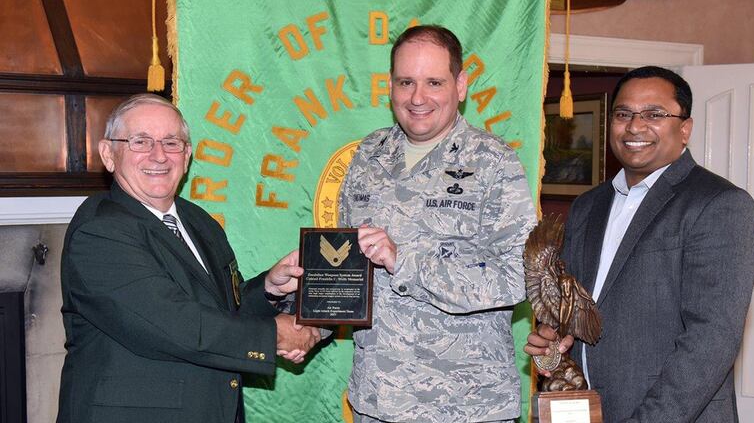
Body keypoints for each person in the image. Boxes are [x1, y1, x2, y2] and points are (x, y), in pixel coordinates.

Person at [57, 94, 321, 423]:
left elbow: (221, 310)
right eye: (140, 141)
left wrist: (268, 289)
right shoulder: (100, 230)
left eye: (172, 142)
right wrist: (274, 335)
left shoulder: (199, 221)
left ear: (187, 155)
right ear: (109, 155)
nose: (159, 155)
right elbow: (170, 322)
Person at [525, 66, 754, 422]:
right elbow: (577, 309)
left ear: (685, 129)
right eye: (623, 114)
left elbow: (711, 340)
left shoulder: (719, 204)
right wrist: (553, 342)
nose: (635, 126)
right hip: (588, 410)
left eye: (654, 114)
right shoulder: (588, 205)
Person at [338, 25, 537, 423]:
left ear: (460, 85)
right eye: (406, 82)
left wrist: (404, 261)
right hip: (377, 399)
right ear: (390, 86)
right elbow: (347, 267)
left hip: (466, 405)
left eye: (434, 82)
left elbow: (518, 276)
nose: (417, 98)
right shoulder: (369, 154)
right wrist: (304, 317)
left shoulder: (493, 162)